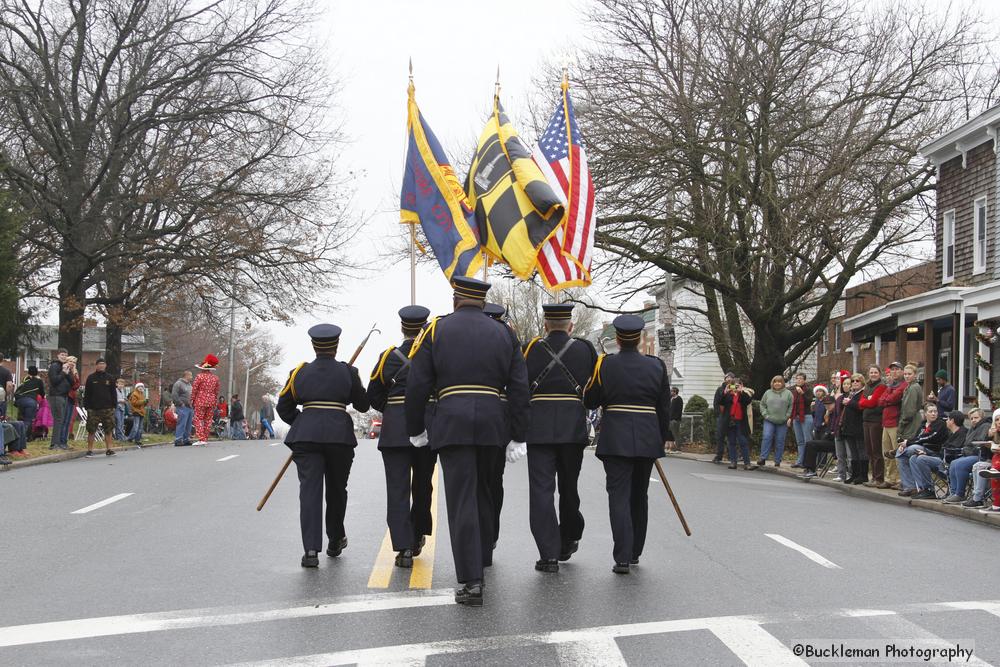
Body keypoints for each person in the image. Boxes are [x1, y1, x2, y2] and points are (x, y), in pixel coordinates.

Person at [405, 276, 529, 606]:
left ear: (455, 299)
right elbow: (519, 386)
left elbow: (417, 384)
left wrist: (415, 427)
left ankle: (472, 580)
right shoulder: (505, 333)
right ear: (482, 300)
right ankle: (483, 554)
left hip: (453, 422)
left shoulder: (436, 330)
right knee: (486, 493)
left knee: (462, 500)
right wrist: (519, 433)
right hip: (492, 422)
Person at [277, 323, 370, 568]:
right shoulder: (348, 372)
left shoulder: (299, 373)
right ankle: (335, 539)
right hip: (339, 437)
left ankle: (310, 550)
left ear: (313, 346)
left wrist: (304, 421)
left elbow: (283, 407)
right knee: (337, 490)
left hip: (306, 437)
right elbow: (363, 405)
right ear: (336, 346)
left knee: (310, 492)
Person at [584, 314, 671, 574]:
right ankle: (634, 552)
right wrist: (660, 436)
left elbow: (590, 400)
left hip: (616, 437)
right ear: (641, 339)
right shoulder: (656, 366)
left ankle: (622, 556)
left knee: (619, 496)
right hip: (646, 436)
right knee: (639, 495)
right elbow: (664, 407)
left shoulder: (605, 364)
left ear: (619, 339)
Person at [522, 303, 598, 573]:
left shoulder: (530, 349)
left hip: (539, 427)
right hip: (571, 428)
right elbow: (593, 391)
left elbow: (520, 387)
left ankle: (548, 554)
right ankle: (568, 538)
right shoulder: (585, 349)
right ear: (571, 325)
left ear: (545, 325)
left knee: (541, 491)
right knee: (569, 487)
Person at [367, 305, 436, 569]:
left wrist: (394, 409)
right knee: (422, 485)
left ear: (402, 328)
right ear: (425, 327)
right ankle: (418, 534)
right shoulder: (433, 356)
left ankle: (403, 547)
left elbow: (374, 393)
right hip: (427, 426)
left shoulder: (388, 357)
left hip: (395, 429)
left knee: (397, 490)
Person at [907, 409, 969, 501]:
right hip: (941, 458)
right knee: (913, 458)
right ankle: (923, 489)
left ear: (952, 421)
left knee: (921, 459)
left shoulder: (962, 433)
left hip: (949, 463)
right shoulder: (951, 433)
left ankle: (930, 489)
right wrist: (926, 453)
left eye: (947, 419)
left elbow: (952, 451)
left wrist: (929, 455)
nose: (946, 421)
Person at [895, 402, 947, 498]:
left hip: (934, 452)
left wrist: (907, 443)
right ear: (925, 414)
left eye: (935, 411)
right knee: (910, 458)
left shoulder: (940, 424)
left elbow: (928, 437)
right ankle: (911, 487)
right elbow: (916, 437)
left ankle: (896, 452)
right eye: (931, 411)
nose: (933, 414)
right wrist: (905, 444)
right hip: (922, 451)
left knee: (911, 448)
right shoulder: (923, 425)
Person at [942, 408, 990, 503]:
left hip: (981, 455)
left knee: (960, 464)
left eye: (976, 417)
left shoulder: (985, 426)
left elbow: (978, 442)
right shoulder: (972, 428)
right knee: (954, 463)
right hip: (969, 454)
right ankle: (954, 492)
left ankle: (960, 494)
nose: (973, 420)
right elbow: (967, 443)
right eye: (971, 418)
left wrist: (967, 449)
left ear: (982, 417)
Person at [877, 361, 907, 489]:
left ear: (902, 371)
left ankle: (901, 479)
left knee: (897, 453)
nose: (894, 372)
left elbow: (892, 398)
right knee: (887, 453)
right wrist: (887, 399)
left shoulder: (903, 385)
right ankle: (890, 478)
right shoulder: (890, 385)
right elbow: (881, 400)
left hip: (896, 423)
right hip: (886, 423)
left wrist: (887, 399)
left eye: (897, 369)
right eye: (892, 370)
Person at [83, 358, 117, 457]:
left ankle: (109, 449)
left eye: (103, 364)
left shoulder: (110, 378)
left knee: (109, 429)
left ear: (105, 366)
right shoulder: (91, 378)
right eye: (100, 364)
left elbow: (113, 393)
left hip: (108, 408)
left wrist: (114, 405)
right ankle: (89, 450)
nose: (101, 366)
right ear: (96, 365)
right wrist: (87, 406)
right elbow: (87, 393)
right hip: (93, 409)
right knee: (91, 429)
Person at [720, 376, 756, 470]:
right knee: (731, 442)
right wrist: (725, 392)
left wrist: (741, 392)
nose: (735, 388)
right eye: (733, 386)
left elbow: (748, 401)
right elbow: (721, 402)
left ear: (741, 385)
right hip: (730, 421)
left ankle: (747, 463)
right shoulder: (728, 395)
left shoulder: (743, 395)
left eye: (737, 385)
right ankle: (733, 462)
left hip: (741, 422)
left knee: (743, 442)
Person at [858, 366, 886, 487]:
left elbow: (874, 402)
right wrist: (867, 401)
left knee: (876, 450)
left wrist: (867, 401)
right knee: (869, 450)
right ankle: (873, 476)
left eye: (875, 372)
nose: (873, 374)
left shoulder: (881, 386)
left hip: (876, 421)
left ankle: (879, 478)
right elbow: (861, 403)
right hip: (866, 420)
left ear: (880, 374)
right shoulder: (868, 386)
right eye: (871, 372)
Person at [757, 375, 792, 467]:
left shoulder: (788, 393)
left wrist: (787, 416)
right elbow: (762, 404)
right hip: (769, 420)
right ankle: (763, 458)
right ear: (772, 383)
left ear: (783, 383)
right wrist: (765, 415)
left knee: (780, 440)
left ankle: (777, 460)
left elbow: (791, 406)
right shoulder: (768, 393)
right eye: (775, 381)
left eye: (779, 382)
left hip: (782, 421)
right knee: (767, 437)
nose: (777, 383)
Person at [840, 374, 868, 484]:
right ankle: (854, 474)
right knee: (853, 452)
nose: (855, 382)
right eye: (853, 381)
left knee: (861, 451)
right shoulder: (851, 394)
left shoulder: (863, 393)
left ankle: (863, 475)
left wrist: (849, 402)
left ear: (862, 383)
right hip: (849, 427)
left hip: (858, 426)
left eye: (857, 381)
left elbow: (860, 407)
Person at [191, 355, 220, 446]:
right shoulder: (215, 378)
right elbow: (216, 391)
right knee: (208, 419)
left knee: (198, 419)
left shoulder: (199, 377)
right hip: (211, 401)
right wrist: (215, 401)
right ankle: (205, 438)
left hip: (200, 400)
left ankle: (201, 438)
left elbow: (194, 389)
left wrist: (192, 400)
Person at [47, 349, 72, 450]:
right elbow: (54, 381)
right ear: (58, 355)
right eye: (62, 355)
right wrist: (63, 372)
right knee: (58, 419)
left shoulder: (65, 366)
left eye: (66, 355)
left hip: (64, 396)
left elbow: (71, 382)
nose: (64, 357)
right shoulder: (54, 366)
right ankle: (54, 444)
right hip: (56, 395)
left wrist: (70, 371)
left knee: (61, 420)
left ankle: (59, 442)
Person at [789, 372, 814, 468]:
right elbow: (793, 405)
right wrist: (791, 418)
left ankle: (808, 462)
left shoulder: (808, 390)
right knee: (800, 441)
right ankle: (800, 461)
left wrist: (802, 393)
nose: (798, 380)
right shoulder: (794, 391)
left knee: (808, 440)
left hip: (806, 417)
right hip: (797, 417)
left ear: (804, 380)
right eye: (797, 378)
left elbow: (808, 402)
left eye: (800, 379)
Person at [13, 366, 45, 440]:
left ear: (28, 372)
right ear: (37, 372)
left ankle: (20, 436)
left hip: (20, 401)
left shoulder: (25, 380)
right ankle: (23, 438)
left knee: (21, 419)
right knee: (28, 420)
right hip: (31, 401)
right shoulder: (39, 381)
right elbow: (42, 393)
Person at [711, 371, 736, 463]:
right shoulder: (720, 389)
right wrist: (719, 414)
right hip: (723, 415)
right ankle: (719, 455)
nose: (729, 379)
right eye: (727, 378)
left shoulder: (735, 389)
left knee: (732, 437)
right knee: (720, 436)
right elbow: (717, 402)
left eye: (731, 377)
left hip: (733, 416)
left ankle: (731, 455)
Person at [172, 371, 194, 447]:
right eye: (190, 375)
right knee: (182, 423)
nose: (192, 377)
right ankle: (178, 439)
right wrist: (180, 403)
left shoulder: (189, 385)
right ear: (186, 375)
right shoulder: (178, 383)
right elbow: (174, 395)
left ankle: (186, 439)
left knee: (188, 424)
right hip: (182, 407)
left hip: (189, 407)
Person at [128, 382, 147, 447]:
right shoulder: (134, 394)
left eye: (142, 387)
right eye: (139, 387)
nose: (141, 388)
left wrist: (145, 402)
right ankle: (130, 438)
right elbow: (134, 403)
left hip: (141, 412)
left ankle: (137, 440)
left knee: (140, 427)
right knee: (136, 426)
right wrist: (143, 401)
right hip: (136, 412)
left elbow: (142, 404)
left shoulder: (142, 394)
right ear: (137, 388)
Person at [666, 387, 683, 452]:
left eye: (672, 391)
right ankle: (671, 448)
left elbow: (679, 410)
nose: (671, 393)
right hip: (670, 420)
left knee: (676, 434)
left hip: (675, 420)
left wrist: (675, 419)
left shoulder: (679, 399)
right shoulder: (671, 399)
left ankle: (678, 448)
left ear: (675, 392)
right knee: (670, 434)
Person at [0, 353, 13, 418]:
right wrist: (6, 394)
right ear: (2, 360)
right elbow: (9, 386)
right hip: (1, 398)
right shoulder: (7, 372)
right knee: (1, 419)